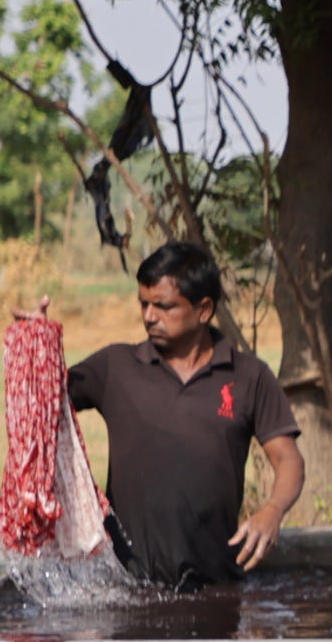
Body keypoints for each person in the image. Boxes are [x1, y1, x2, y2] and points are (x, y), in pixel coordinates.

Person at [31, 241, 305, 588]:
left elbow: (288, 459)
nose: (149, 316)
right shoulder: (116, 367)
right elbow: (44, 401)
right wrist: (37, 343)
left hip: (217, 583)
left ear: (204, 309)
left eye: (164, 306)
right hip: (126, 585)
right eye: (143, 303)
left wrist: (273, 510)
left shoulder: (249, 376)